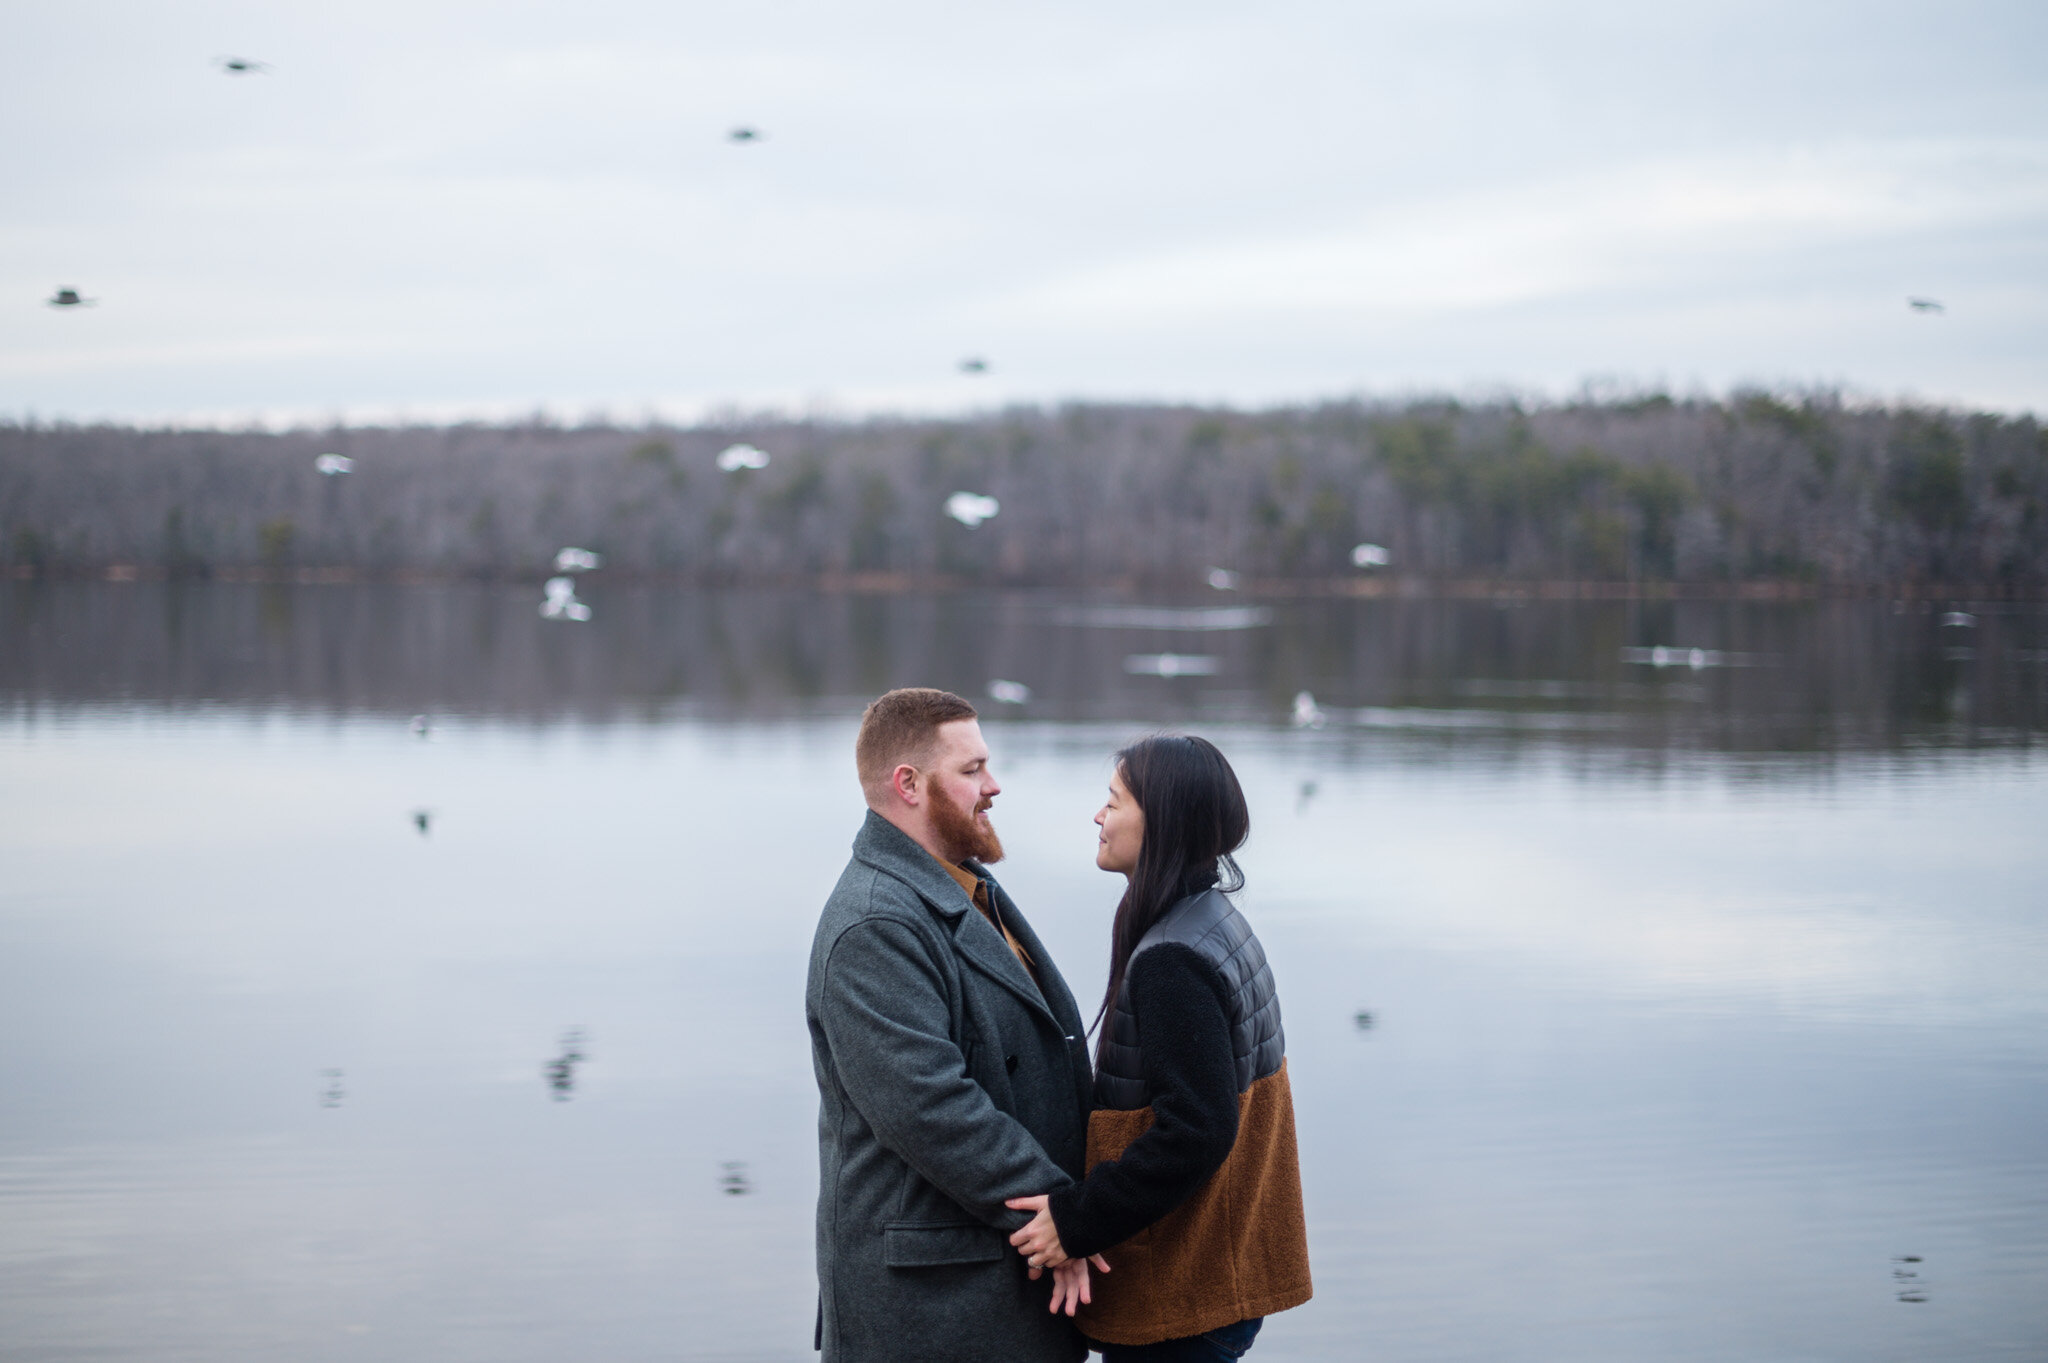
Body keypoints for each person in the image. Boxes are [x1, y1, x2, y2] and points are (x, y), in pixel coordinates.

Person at [807, 688, 1104, 1362]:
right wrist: (1062, 1215)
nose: (993, 785)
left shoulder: (958, 886)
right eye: (971, 770)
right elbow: (933, 1109)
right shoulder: (875, 924)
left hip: (989, 1289)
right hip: (932, 1310)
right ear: (908, 784)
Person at [1004, 735, 1312, 1361]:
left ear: (1162, 820)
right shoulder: (1214, 920)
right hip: (1216, 1285)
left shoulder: (1173, 959)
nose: (1098, 816)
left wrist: (1076, 1220)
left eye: (1113, 802)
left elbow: (1197, 1130)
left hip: (1184, 1300)